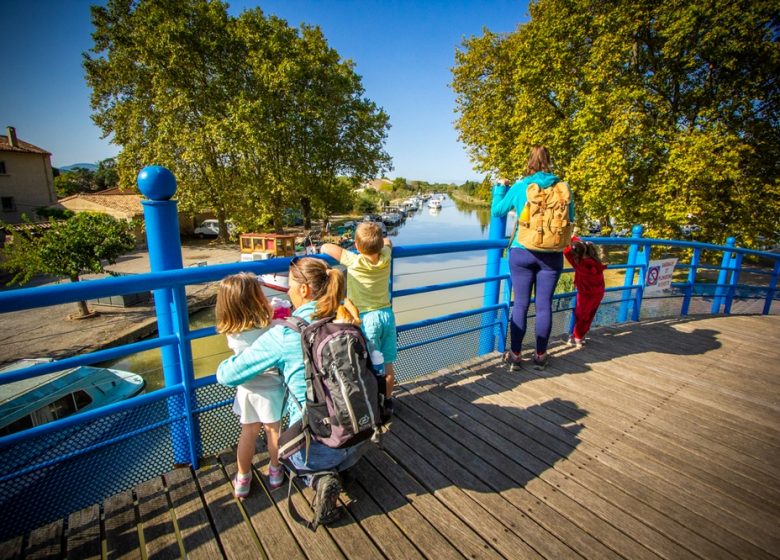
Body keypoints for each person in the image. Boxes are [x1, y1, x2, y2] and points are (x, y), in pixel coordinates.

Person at [217, 258, 368, 525]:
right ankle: (344, 466)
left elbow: (227, 376)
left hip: (319, 447)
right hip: (360, 435)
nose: (285, 290)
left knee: (290, 446)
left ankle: (320, 477)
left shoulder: (284, 334)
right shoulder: (346, 316)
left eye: (290, 284)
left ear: (304, 290)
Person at [492, 145, 575, 371]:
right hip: (552, 256)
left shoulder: (521, 187)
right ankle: (540, 356)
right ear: (550, 162)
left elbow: (497, 211)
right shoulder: (564, 189)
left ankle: (516, 356)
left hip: (522, 251)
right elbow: (572, 218)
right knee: (544, 306)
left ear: (530, 163)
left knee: (520, 304)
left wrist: (500, 188)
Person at [215, 273, 287, 498]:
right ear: (256, 297)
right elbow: (281, 320)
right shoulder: (270, 323)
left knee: (248, 432)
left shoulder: (231, 330)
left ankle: (243, 478)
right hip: (273, 386)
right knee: (274, 432)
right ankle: (275, 472)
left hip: (247, 389)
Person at [321, 221, 397, 410]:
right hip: (387, 315)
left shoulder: (353, 260)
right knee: (387, 363)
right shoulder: (386, 257)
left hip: (365, 319)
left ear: (356, 245)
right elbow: (388, 242)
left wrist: (323, 246)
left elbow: (327, 247)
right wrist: (383, 242)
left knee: (366, 365)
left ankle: (370, 406)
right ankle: (388, 402)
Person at [564, 237, 607, 348]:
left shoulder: (579, 264)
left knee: (582, 315)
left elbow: (566, 251)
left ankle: (577, 337)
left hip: (585, 294)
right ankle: (580, 335)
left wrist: (573, 237)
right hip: (598, 293)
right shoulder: (597, 263)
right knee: (589, 315)